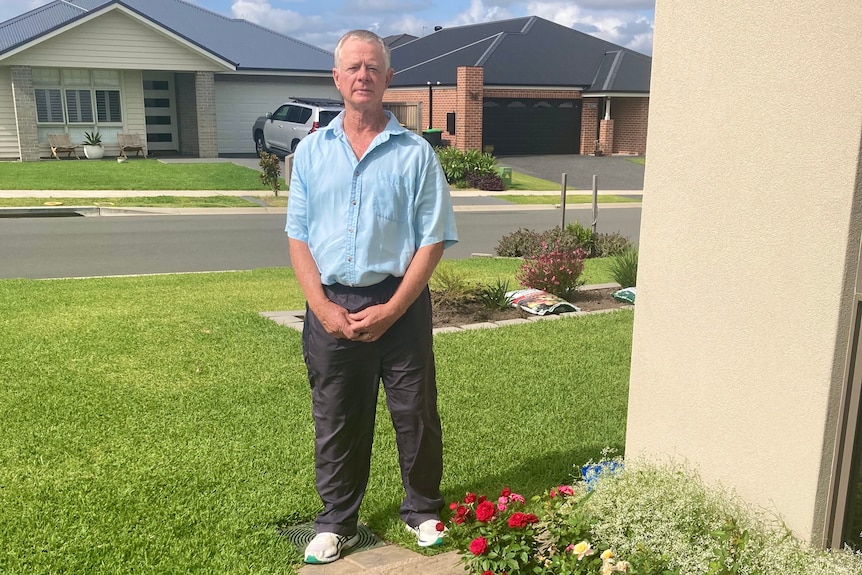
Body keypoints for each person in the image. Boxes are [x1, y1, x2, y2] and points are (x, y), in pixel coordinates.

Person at [285, 29, 458, 565]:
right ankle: (337, 521)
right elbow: (299, 237)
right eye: (353, 68)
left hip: (399, 305)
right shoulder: (312, 152)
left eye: (373, 68)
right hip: (331, 304)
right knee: (337, 416)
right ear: (337, 79)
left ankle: (423, 509)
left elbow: (432, 239)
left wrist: (393, 308)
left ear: (388, 78)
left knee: (416, 414)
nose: (363, 76)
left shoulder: (415, 155)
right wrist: (323, 308)